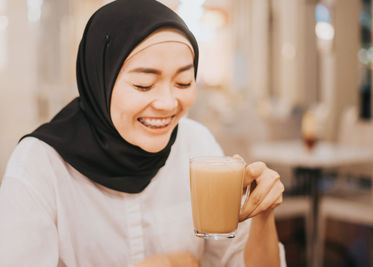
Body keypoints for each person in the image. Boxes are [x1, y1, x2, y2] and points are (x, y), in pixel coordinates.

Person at [0, 0, 286, 266]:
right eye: (144, 85)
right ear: (101, 80)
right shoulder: (41, 165)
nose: (167, 103)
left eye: (184, 82)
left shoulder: (196, 143)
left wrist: (262, 215)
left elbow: (235, 259)